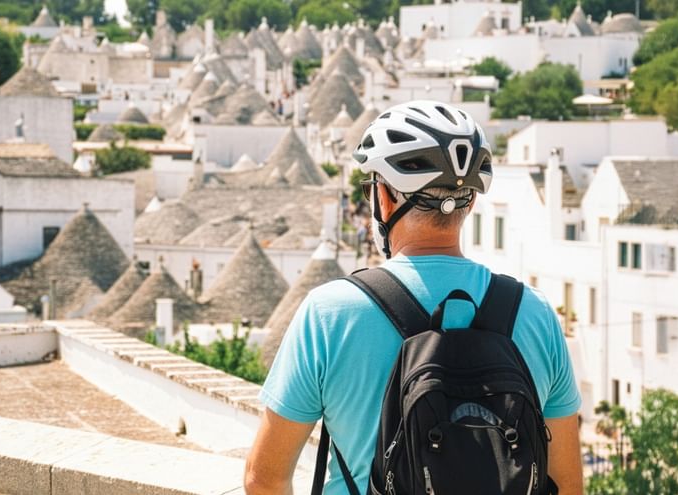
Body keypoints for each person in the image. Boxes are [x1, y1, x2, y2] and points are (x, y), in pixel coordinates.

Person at [244, 101, 583, 494]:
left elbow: (264, 477)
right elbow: (566, 485)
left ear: (384, 198)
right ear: (470, 201)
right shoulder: (536, 313)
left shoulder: (330, 313)